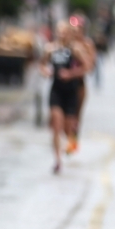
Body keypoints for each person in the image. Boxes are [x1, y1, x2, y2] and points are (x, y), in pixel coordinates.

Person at [40, 21, 88, 174]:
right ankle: (57, 160)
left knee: (67, 127)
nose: (61, 35)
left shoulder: (75, 49)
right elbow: (42, 65)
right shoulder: (50, 49)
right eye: (59, 32)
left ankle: (72, 139)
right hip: (56, 91)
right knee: (56, 124)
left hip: (71, 91)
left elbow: (86, 66)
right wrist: (45, 72)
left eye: (64, 32)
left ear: (69, 33)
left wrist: (71, 74)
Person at [69, 14, 96, 153]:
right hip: (64, 85)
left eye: (78, 29)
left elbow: (90, 66)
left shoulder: (87, 44)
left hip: (79, 84)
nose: (75, 32)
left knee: (76, 114)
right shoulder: (66, 43)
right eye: (73, 29)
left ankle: (73, 141)